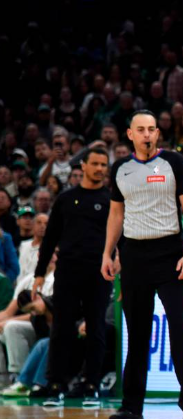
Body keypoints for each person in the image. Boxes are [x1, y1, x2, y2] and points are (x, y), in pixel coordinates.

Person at [101, 111, 183, 419]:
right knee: (137, 335)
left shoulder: (174, 162)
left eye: (151, 129)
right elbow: (116, 215)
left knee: (180, 330)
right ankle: (131, 408)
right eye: (140, 130)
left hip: (170, 255)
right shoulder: (120, 168)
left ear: (157, 133)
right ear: (129, 134)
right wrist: (108, 253)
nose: (147, 134)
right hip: (133, 258)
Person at [28, 148, 111, 407]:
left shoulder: (111, 200)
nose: (99, 169)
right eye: (95, 164)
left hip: (99, 272)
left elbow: (121, 239)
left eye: (104, 165)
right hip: (67, 271)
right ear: (83, 166)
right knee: (61, 328)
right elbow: (50, 239)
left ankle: (91, 384)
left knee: (96, 327)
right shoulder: (65, 199)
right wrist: (40, 274)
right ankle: (56, 383)